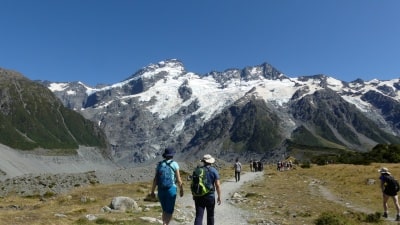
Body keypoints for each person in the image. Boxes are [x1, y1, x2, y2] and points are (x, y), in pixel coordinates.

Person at [150, 147, 184, 225]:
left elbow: (155, 179)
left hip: (161, 190)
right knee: (170, 210)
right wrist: (181, 189)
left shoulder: (159, 164)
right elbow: (179, 179)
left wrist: (152, 191)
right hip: (171, 189)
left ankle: (164, 223)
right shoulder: (174, 164)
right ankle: (165, 224)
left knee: (164, 210)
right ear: (172, 155)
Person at [193, 154, 221, 225]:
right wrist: (219, 197)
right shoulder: (214, 171)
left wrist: (194, 194)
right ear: (210, 162)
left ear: (203, 161)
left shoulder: (198, 170)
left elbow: (194, 183)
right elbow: (217, 185)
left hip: (198, 196)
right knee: (210, 216)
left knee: (199, 216)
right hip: (210, 196)